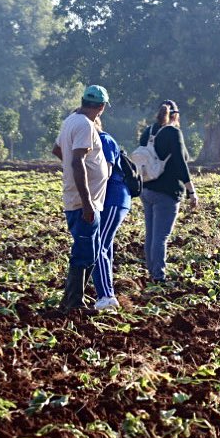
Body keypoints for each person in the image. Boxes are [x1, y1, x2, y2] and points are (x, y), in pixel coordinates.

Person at [53, 86, 111, 312]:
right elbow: (77, 161)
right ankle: (74, 303)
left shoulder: (70, 120)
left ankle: (71, 300)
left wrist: (71, 169)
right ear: (101, 107)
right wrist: (87, 202)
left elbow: (58, 150)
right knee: (84, 251)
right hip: (84, 202)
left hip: (81, 198)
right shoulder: (85, 125)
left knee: (90, 251)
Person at [140, 101, 199, 282]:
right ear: (176, 115)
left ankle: (152, 272)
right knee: (161, 237)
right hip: (167, 192)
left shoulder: (148, 132)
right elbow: (181, 163)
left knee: (151, 234)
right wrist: (191, 191)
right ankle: (158, 276)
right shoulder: (173, 133)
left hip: (147, 188)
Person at [93, 129, 132, 311]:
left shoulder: (104, 140)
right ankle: (106, 292)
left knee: (98, 245)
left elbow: (105, 173)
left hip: (114, 199)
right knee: (103, 246)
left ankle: (106, 296)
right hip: (107, 199)